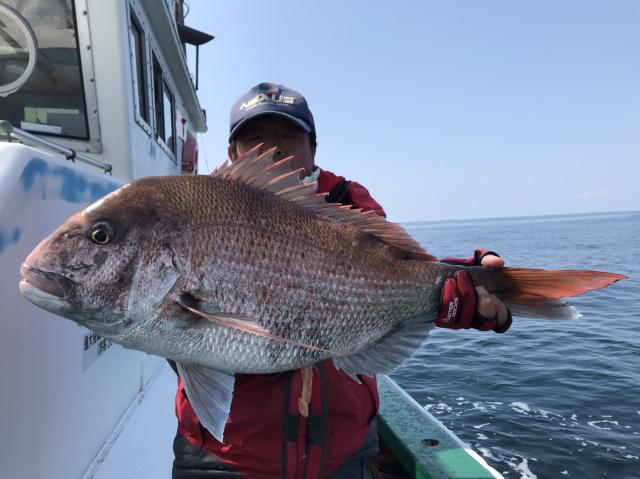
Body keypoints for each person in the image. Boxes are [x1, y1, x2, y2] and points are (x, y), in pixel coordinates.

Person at [170, 82, 512, 479]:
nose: (275, 149)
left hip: (342, 450)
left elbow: (389, 272)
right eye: (256, 138)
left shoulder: (349, 200)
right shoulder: (197, 208)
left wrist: (453, 288)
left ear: (313, 148)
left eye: (289, 136)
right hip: (224, 456)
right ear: (233, 154)